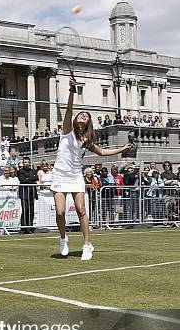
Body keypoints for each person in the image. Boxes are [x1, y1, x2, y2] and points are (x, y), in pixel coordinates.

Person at [50, 77, 132, 260]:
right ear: (76, 119)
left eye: (86, 116)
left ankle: (87, 244)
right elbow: (69, 110)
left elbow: (102, 152)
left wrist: (123, 148)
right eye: (81, 115)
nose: (83, 116)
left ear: (88, 123)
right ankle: (63, 239)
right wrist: (72, 90)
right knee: (60, 212)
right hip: (59, 175)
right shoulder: (66, 131)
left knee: (81, 210)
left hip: (75, 176)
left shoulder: (86, 140)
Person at [17, 157, 38, 233]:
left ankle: (30, 226)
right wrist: (31, 178)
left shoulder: (33, 171)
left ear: (29, 163)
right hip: (24, 193)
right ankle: (24, 227)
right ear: (23, 163)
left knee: (31, 211)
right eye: (25, 162)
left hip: (32, 193)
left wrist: (28, 178)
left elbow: (36, 178)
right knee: (25, 210)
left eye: (27, 162)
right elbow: (22, 180)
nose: (26, 163)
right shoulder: (20, 171)